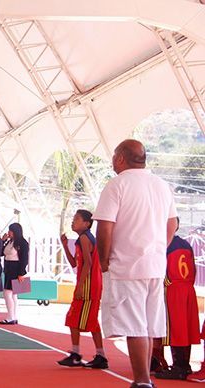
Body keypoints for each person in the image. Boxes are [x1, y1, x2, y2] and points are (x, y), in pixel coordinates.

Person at [93, 139, 177, 388]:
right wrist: (158, 248)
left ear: (120, 158)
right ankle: (145, 379)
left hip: (127, 265)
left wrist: (104, 260)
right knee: (148, 324)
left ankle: (141, 381)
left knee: (135, 325)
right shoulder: (161, 185)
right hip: (154, 265)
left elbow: (105, 227)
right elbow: (172, 224)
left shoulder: (117, 184)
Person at [57, 210, 107, 369]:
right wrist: (65, 246)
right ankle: (86, 354)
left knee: (81, 319)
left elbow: (89, 263)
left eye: (77, 219)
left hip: (88, 286)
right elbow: (74, 263)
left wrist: (80, 287)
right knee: (79, 319)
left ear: (87, 223)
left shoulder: (85, 238)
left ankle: (86, 355)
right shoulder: (81, 239)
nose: (73, 222)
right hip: (88, 284)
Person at [152, 219, 199, 381]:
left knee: (175, 329)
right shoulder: (186, 244)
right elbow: (193, 268)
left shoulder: (164, 244)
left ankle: (178, 367)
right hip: (187, 288)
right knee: (185, 328)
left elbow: (159, 269)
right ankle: (184, 365)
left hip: (172, 288)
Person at [0, 222, 28, 325]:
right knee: (13, 294)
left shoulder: (23, 243)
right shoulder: (10, 241)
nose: (9, 232)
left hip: (16, 269)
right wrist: (3, 241)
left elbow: (24, 259)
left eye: (10, 231)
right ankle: (13, 316)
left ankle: (10, 316)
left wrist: (21, 273)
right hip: (8, 268)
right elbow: (1, 252)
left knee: (7, 293)